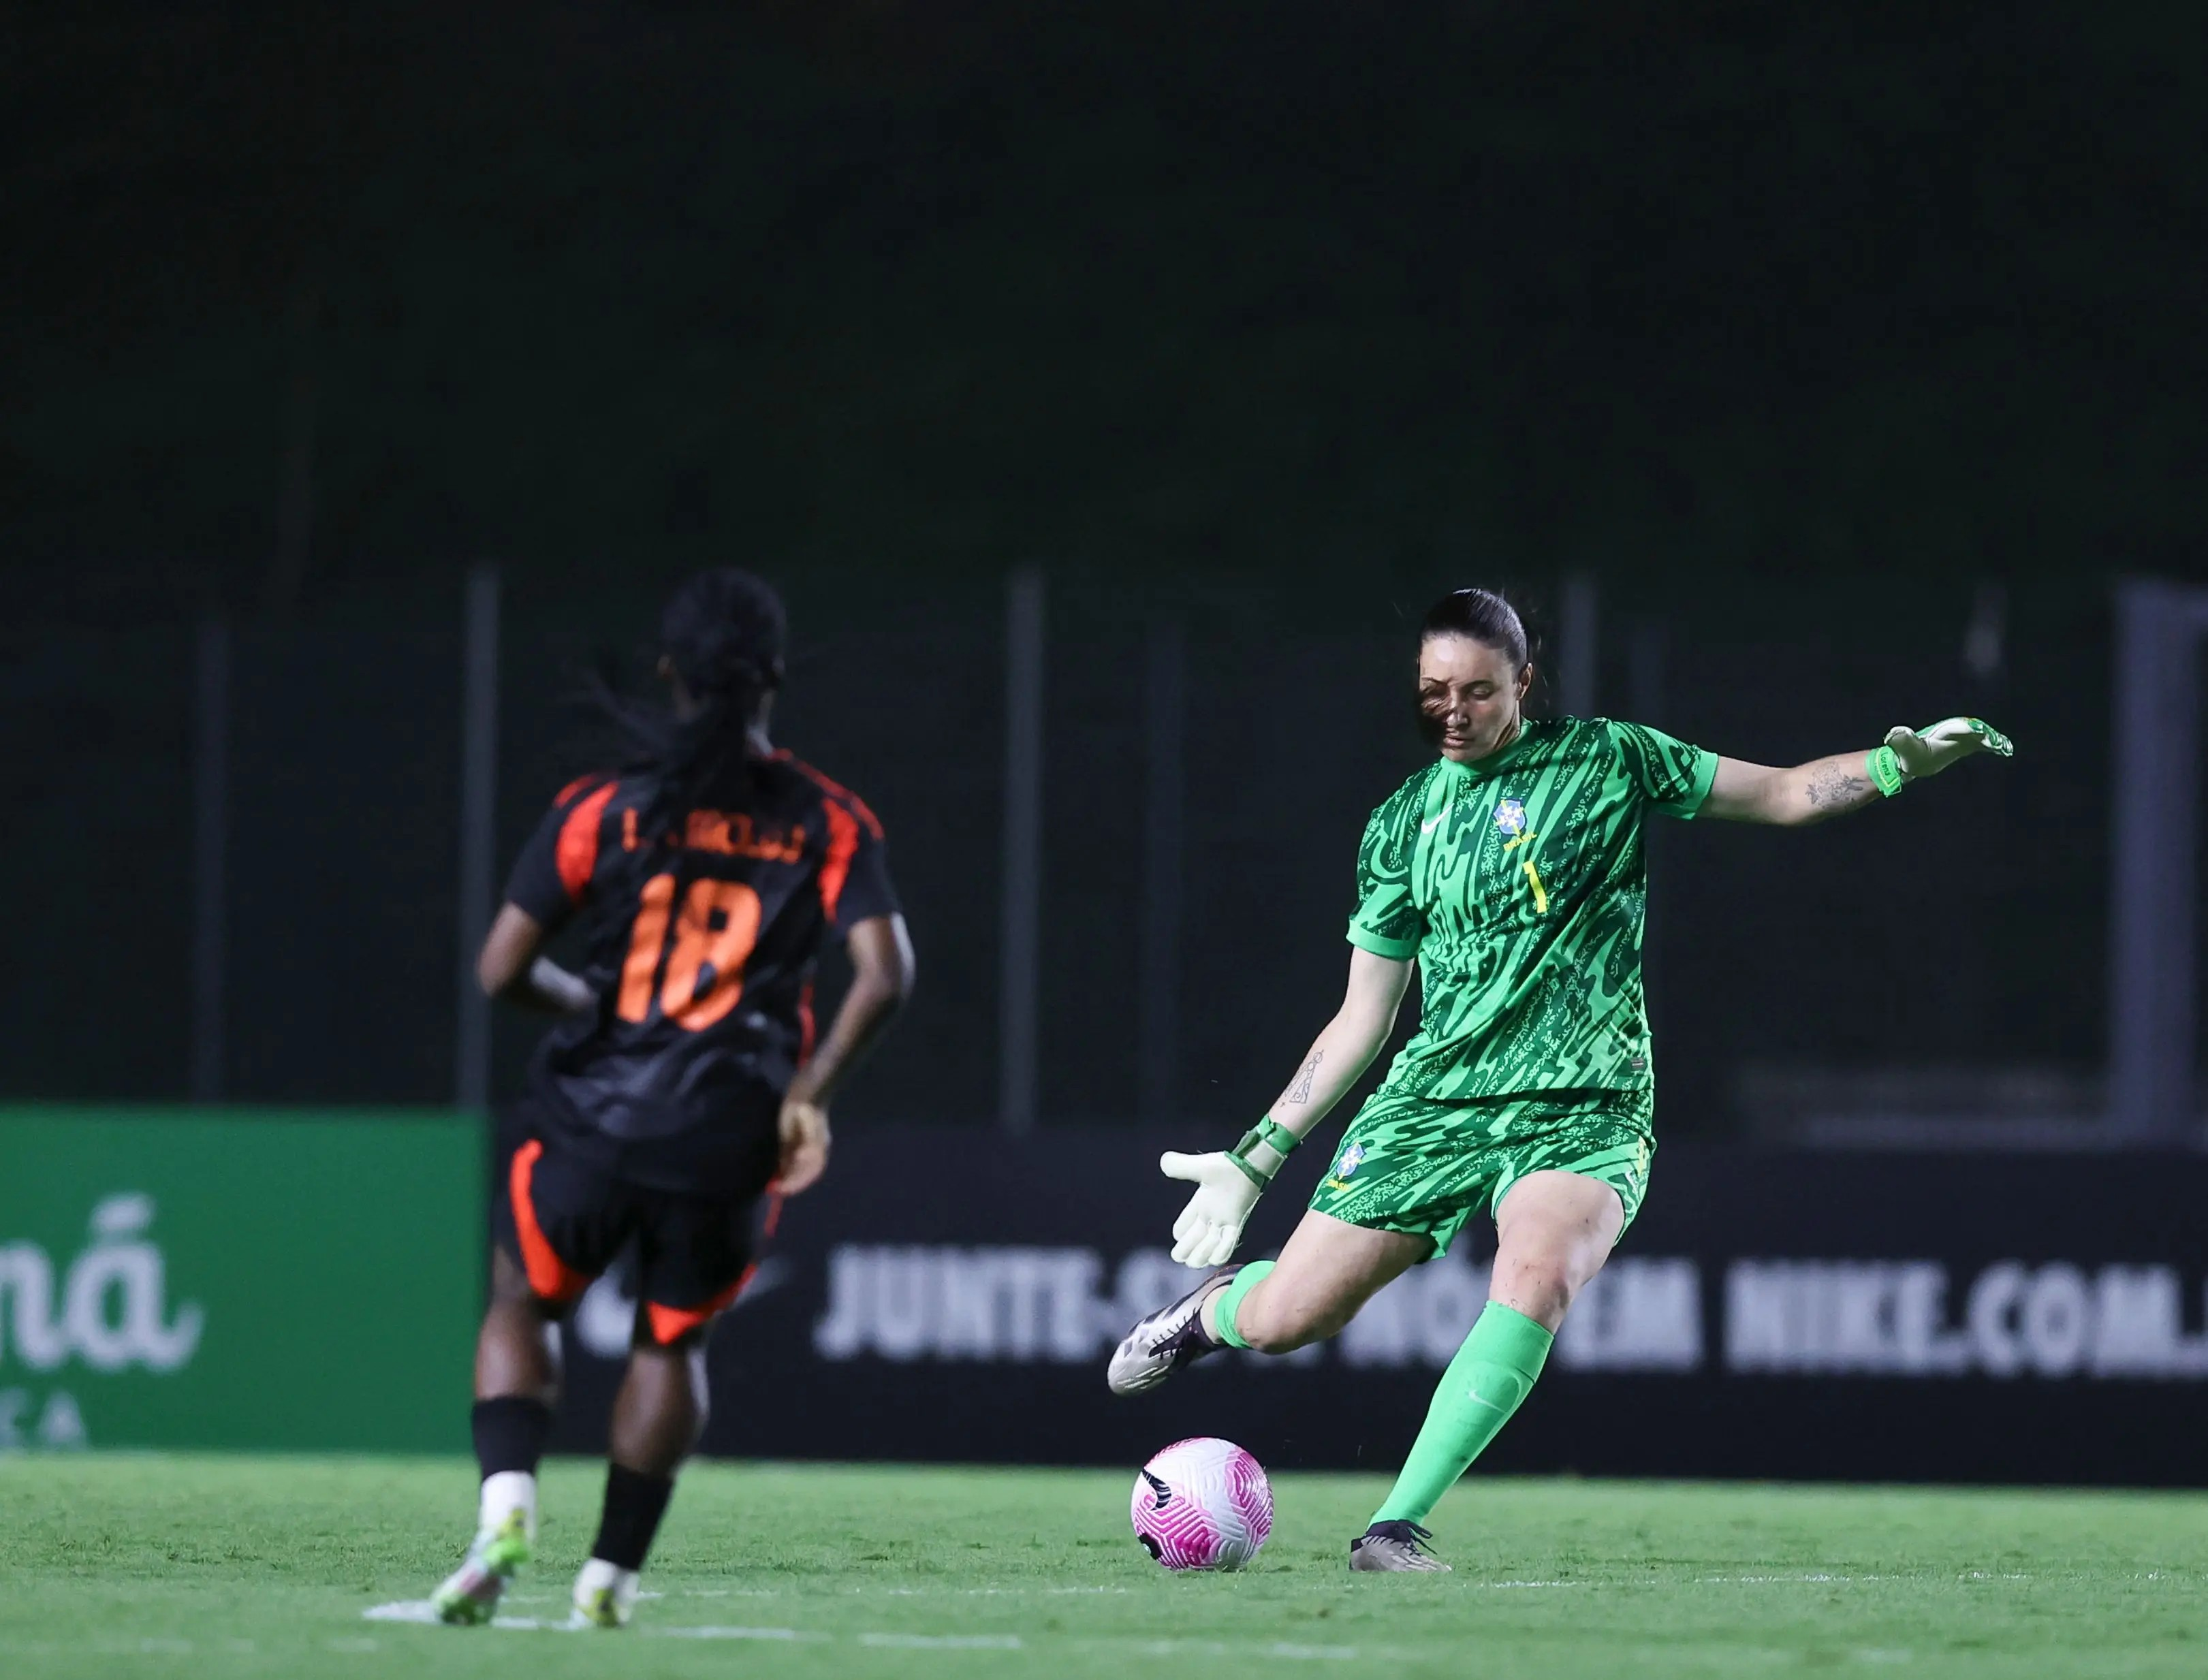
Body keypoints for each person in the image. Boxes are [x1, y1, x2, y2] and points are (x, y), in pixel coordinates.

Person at [1106, 586, 2010, 1572]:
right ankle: (1204, 1313)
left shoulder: (1611, 759)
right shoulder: (1400, 823)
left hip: (1586, 1104)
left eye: (1477, 690)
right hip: (1436, 1100)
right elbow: (1363, 1016)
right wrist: (1257, 1154)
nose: (1451, 709)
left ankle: (1393, 1527)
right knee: (1290, 1318)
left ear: (1523, 683)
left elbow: (1788, 793)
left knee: (1536, 1275)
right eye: (1432, 690)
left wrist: (1893, 764)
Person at [430, 568, 915, 1628]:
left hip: (594, 1115)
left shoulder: (601, 808)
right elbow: (885, 972)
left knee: (523, 1302)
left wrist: (583, 1001)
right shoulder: (826, 821)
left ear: (668, 675)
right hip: (730, 1132)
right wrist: (808, 1093)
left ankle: (506, 1508)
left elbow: (500, 967)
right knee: (670, 1342)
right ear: (773, 678)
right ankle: (608, 1576)